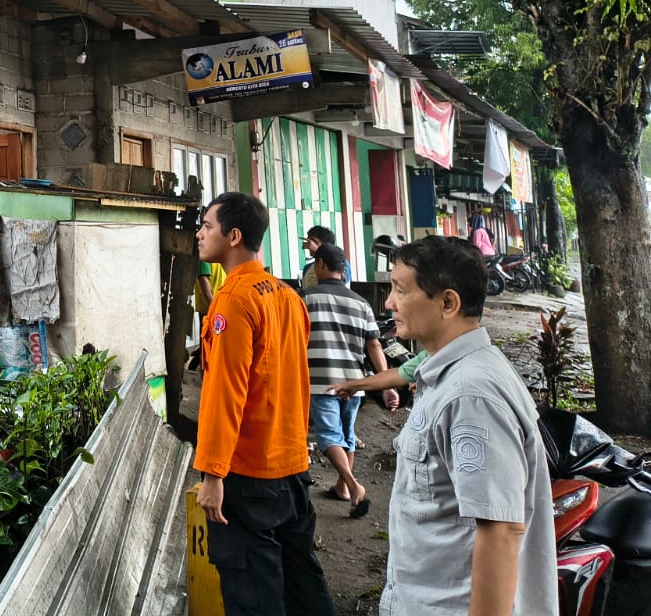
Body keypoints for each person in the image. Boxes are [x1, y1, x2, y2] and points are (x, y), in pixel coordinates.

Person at [379, 235, 558, 616]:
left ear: (447, 302)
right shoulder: (453, 378)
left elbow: (501, 530)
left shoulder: (470, 394)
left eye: (399, 290)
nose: (389, 303)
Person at [196, 191, 337, 616]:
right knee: (302, 587)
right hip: (291, 467)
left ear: (233, 236)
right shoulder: (286, 296)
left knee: (254, 597)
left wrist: (212, 473)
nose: (199, 235)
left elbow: (225, 390)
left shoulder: (234, 301)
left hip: (247, 473)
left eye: (207, 226)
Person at [304, 244, 397, 518]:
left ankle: (354, 486)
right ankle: (342, 487)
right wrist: (385, 383)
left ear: (320, 265)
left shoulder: (305, 299)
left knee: (329, 436)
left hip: (322, 380)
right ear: (343, 270)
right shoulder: (361, 303)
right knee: (347, 434)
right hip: (355, 383)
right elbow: (375, 346)